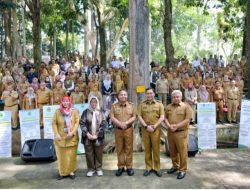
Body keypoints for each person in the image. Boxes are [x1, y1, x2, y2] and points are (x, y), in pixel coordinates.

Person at [164, 90, 192, 179]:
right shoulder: (168, 107)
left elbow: (188, 119)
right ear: (172, 98)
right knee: (172, 151)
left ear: (181, 97)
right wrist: (169, 126)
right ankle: (175, 166)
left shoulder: (186, 106)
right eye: (174, 97)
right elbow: (165, 118)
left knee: (182, 152)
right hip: (170, 133)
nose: (176, 98)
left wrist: (176, 126)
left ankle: (182, 169)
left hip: (181, 133)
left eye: (177, 97)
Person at [138, 88, 164, 177]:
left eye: (151, 93)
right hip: (145, 130)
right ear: (146, 94)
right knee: (147, 149)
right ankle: (148, 168)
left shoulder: (159, 104)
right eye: (148, 93)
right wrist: (146, 126)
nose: (149, 95)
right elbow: (139, 116)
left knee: (156, 149)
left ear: (154, 93)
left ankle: (157, 168)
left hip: (155, 129)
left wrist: (154, 126)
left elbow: (162, 117)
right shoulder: (142, 104)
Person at [110, 89, 137, 176]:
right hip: (118, 130)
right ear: (118, 96)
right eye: (121, 95)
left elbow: (134, 117)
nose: (123, 96)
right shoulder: (114, 106)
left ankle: (129, 167)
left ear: (127, 96)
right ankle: (121, 167)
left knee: (129, 148)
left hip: (128, 130)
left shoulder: (131, 106)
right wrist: (120, 124)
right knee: (119, 148)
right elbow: (112, 117)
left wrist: (126, 123)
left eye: (125, 95)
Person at [52, 96, 79, 180]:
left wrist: (71, 133)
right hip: (60, 138)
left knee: (71, 156)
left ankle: (71, 171)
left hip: (71, 138)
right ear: (62, 102)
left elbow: (76, 123)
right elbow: (54, 123)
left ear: (69, 102)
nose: (65, 103)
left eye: (67, 101)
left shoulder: (74, 111)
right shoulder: (57, 111)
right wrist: (56, 133)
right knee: (61, 156)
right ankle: (62, 172)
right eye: (64, 101)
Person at [80, 96, 105, 177]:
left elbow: (103, 124)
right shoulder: (85, 112)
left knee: (98, 153)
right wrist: (87, 134)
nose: (93, 103)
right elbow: (82, 123)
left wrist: (97, 135)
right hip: (88, 137)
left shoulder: (100, 112)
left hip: (98, 137)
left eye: (95, 102)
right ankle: (91, 169)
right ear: (89, 103)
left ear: (97, 103)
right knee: (89, 153)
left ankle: (98, 169)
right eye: (92, 102)